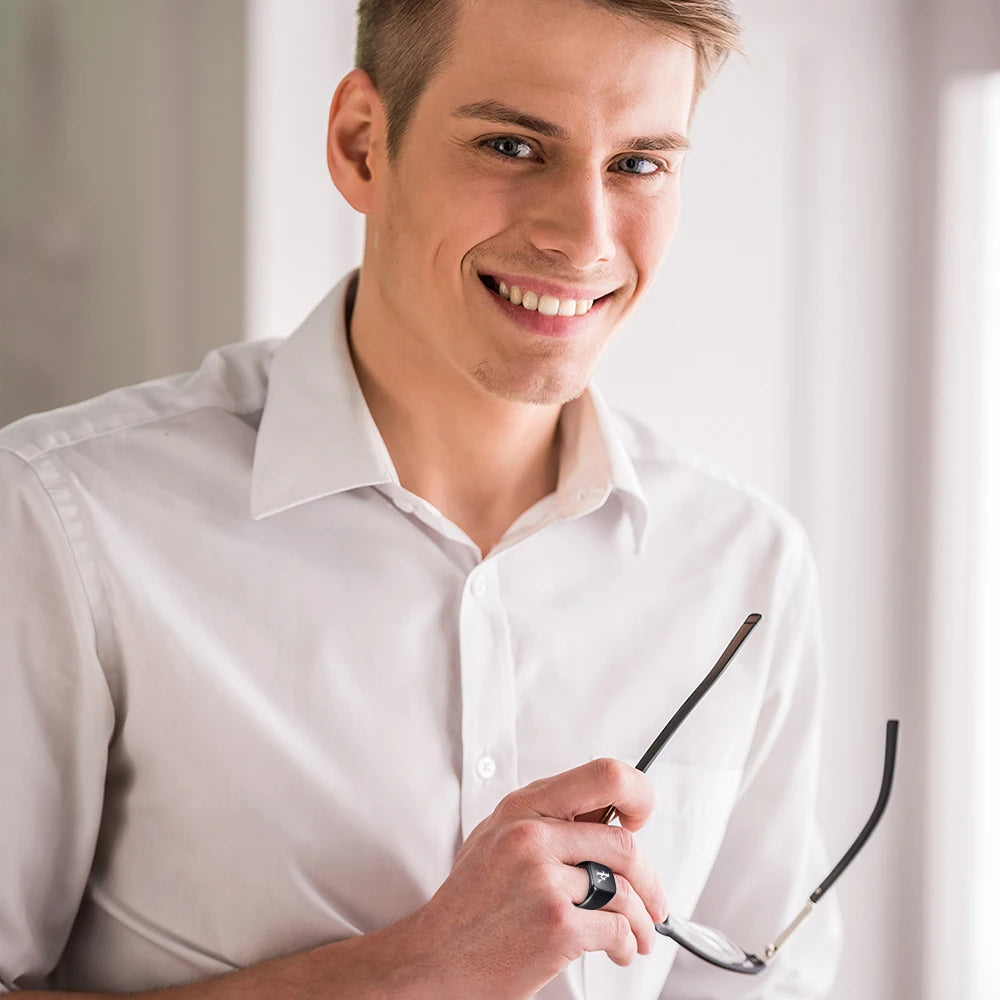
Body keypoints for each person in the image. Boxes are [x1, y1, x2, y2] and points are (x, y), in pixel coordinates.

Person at [0, 0, 843, 996]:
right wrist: (421, 969)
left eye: (638, 164)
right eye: (511, 145)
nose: (582, 236)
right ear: (362, 144)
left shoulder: (744, 569)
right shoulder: (65, 519)